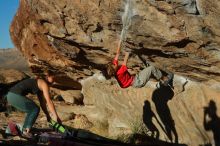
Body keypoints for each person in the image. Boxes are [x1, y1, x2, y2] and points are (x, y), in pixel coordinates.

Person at [6, 70, 61, 138]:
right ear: (47, 76)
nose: (54, 81)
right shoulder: (44, 84)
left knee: (32, 109)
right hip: (15, 95)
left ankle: (25, 129)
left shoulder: (39, 84)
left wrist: (48, 115)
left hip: (11, 96)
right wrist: (56, 117)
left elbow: (42, 103)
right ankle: (26, 131)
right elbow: (49, 101)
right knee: (34, 109)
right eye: (53, 78)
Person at [106, 43, 174, 88]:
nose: (115, 63)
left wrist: (120, 41)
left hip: (136, 78)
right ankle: (165, 80)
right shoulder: (119, 72)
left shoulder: (115, 69)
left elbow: (117, 54)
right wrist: (128, 50)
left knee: (147, 66)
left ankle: (160, 82)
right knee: (151, 68)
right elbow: (125, 61)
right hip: (138, 81)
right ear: (114, 69)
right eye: (114, 65)